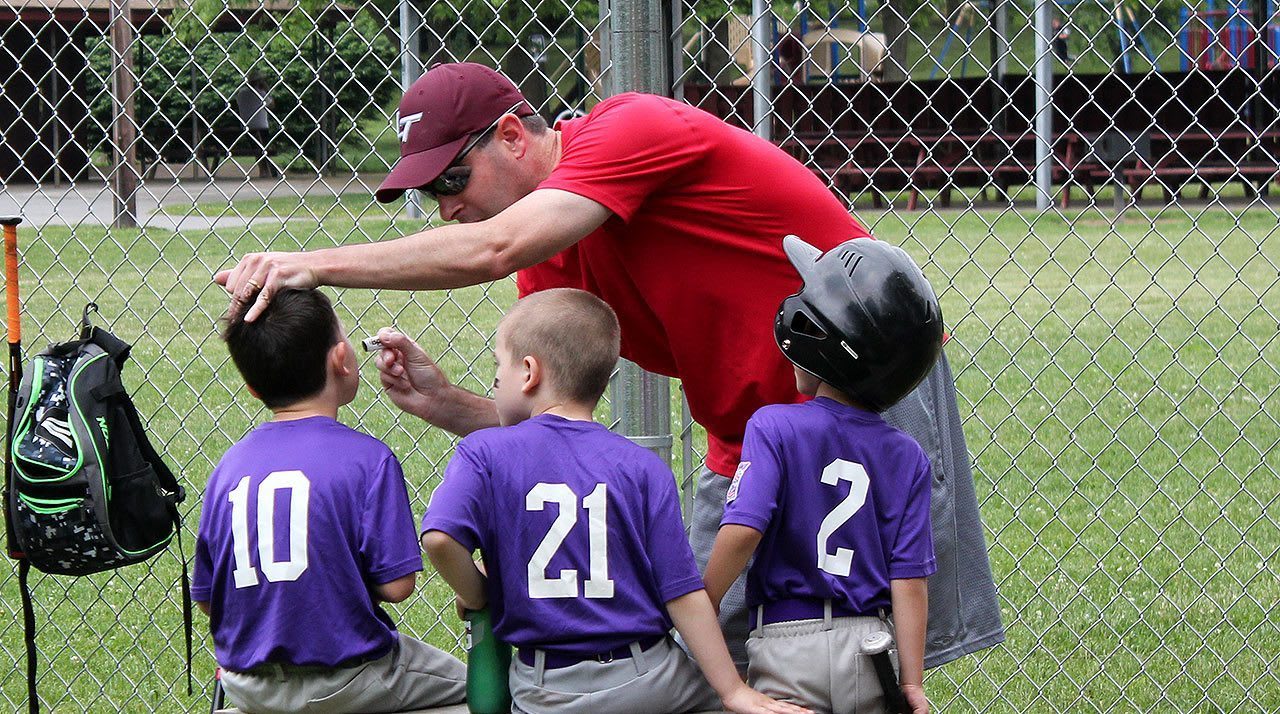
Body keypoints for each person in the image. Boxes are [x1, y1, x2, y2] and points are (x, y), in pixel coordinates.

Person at [215, 61, 1004, 670]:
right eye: (430, 193)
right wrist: (447, 402)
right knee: (713, 651)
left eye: (451, 179)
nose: (447, 206)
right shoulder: (552, 268)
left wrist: (310, 262)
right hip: (750, 439)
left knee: (870, 654)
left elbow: (493, 246)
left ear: (515, 137)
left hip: (864, 393)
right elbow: (552, 426)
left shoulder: (628, 128)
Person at [420, 288, 809, 714]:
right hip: (647, 677)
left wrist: (479, 594)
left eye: (500, 366)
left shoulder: (484, 452)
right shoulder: (641, 467)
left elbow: (439, 539)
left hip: (545, 687)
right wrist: (733, 691)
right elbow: (682, 594)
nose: (496, 381)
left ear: (529, 372)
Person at [192, 288, 466, 714]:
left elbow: (209, 599)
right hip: (350, 678)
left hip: (246, 685)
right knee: (479, 690)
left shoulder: (228, 467)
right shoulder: (368, 459)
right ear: (342, 359)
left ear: (251, 387)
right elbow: (397, 586)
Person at [703, 236, 942, 713]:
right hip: (871, 648)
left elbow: (744, 529)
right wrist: (911, 681)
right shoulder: (907, 456)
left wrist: (702, 601)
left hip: (787, 643)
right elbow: (909, 579)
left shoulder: (773, 426)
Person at [234, 71, 280, 178]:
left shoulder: (241, 93)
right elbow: (272, 105)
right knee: (264, 148)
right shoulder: (262, 93)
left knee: (258, 148)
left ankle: (264, 170)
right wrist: (266, 89)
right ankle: (266, 170)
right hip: (262, 127)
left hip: (247, 128)